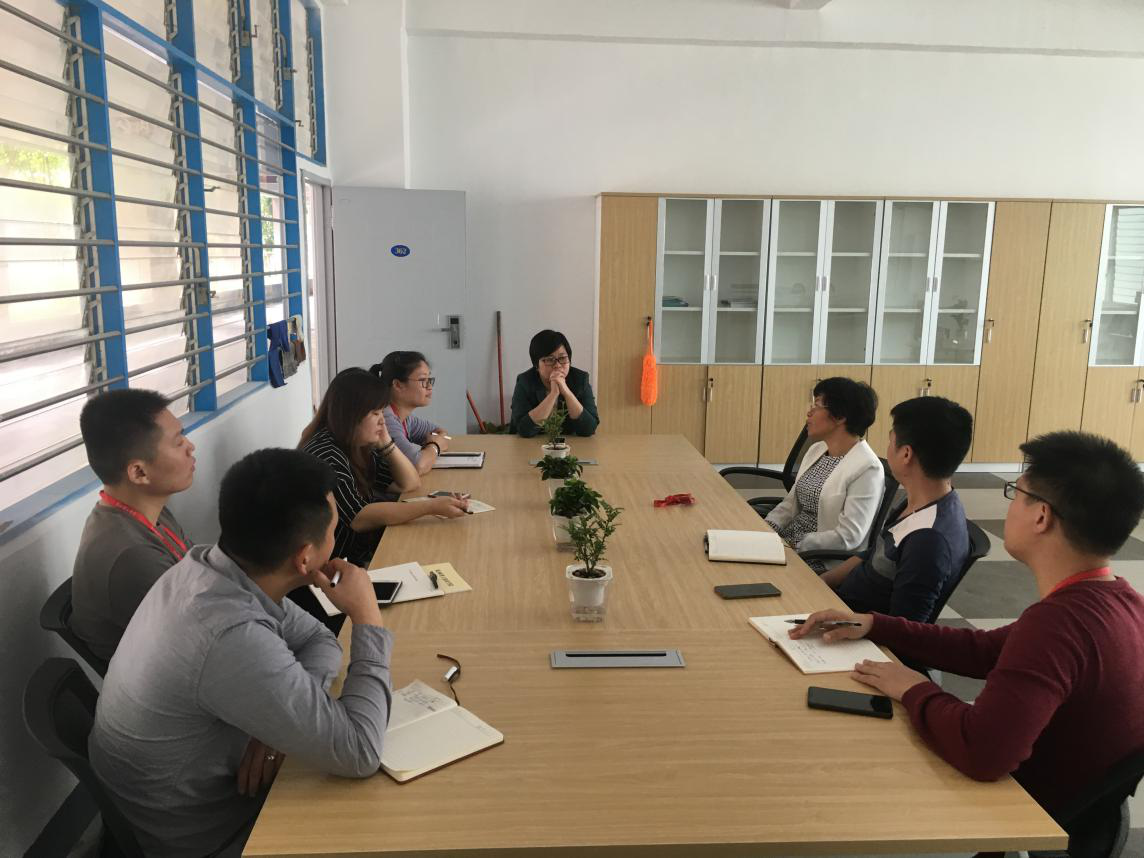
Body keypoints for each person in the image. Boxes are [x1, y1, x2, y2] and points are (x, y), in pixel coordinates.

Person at [791, 431, 1144, 826]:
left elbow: (982, 752)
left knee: (826, 781)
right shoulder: (1122, 602)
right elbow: (986, 650)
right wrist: (876, 624)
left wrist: (912, 687)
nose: (1010, 505)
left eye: (1016, 493)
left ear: (1041, 516)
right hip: (1070, 810)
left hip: (1011, 817)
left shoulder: (1059, 626)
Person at [89, 449, 395, 858]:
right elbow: (360, 751)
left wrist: (284, 722)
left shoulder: (208, 566)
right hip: (210, 835)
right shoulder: (229, 632)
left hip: (195, 794)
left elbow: (319, 641)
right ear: (305, 557)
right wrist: (368, 618)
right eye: (333, 530)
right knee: (388, 817)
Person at [71, 388, 196, 662]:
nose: (190, 447)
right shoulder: (131, 556)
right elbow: (200, 637)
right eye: (178, 442)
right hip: (172, 676)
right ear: (139, 472)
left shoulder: (148, 512)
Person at [822, 396, 971, 623]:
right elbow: (873, 554)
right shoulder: (925, 500)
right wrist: (822, 582)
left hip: (852, 627)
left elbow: (904, 632)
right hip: (839, 603)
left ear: (906, 454)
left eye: (891, 441)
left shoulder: (928, 540)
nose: (888, 449)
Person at [299, 368, 465, 568]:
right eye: (375, 413)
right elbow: (360, 518)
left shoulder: (357, 444)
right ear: (351, 415)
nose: (382, 421)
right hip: (331, 566)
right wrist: (430, 507)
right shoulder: (326, 454)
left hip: (355, 554)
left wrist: (386, 442)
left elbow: (409, 482)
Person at [764, 378, 884, 571]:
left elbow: (849, 536)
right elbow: (790, 503)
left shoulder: (867, 468)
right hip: (787, 543)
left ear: (840, 416)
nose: (809, 412)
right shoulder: (817, 450)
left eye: (817, 405)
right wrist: (766, 528)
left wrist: (796, 544)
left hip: (818, 558)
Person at [372, 351, 451, 475]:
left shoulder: (406, 419)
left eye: (429, 379)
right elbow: (416, 466)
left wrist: (434, 445)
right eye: (423, 380)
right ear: (398, 385)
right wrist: (435, 446)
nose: (429, 386)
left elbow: (442, 434)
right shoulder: (385, 419)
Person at [510, 329, 599, 437]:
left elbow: (589, 429)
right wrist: (553, 394)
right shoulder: (525, 381)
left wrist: (566, 392)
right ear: (536, 365)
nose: (557, 365)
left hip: (569, 444)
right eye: (549, 359)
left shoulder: (580, 379)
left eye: (562, 358)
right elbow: (524, 430)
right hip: (531, 444)